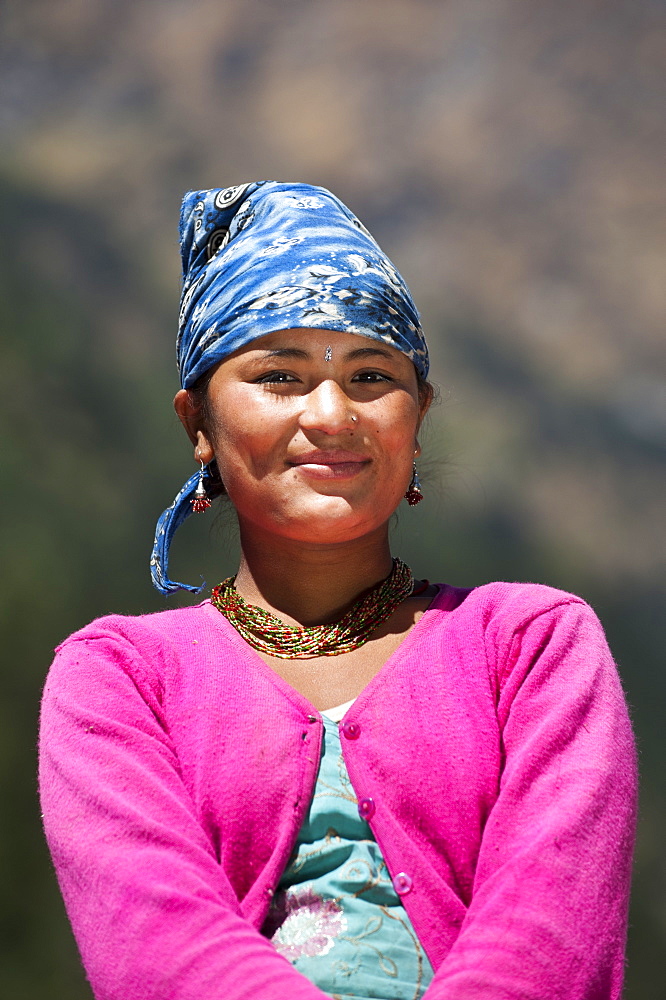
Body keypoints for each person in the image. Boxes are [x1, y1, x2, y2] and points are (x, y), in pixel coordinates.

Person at [39, 182, 637, 1000]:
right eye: (280, 377)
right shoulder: (118, 678)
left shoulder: (533, 645)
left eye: (370, 376)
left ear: (417, 415)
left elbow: (553, 936)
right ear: (198, 427)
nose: (332, 414)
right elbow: (158, 950)